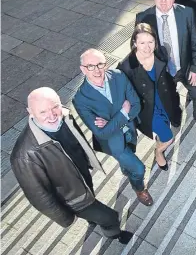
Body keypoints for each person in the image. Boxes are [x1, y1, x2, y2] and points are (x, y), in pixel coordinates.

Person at [10, 87, 133, 244]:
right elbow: (39, 197)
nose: (52, 115)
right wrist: (66, 218)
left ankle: (92, 220)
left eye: (55, 106)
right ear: (30, 112)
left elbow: (77, 141)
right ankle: (114, 234)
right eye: (42, 112)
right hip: (72, 199)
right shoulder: (24, 156)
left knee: (93, 203)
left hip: (81, 178)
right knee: (110, 217)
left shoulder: (65, 116)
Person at [73, 49, 153, 206]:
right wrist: (123, 112)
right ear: (83, 69)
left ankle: (125, 168)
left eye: (100, 64)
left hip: (130, 131)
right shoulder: (80, 99)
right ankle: (139, 189)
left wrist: (111, 122)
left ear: (106, 64)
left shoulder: (118, 76)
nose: (97, 70)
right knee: (139, 169)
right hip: (114, 143)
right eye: (90, 66)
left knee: (131, 155)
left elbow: (136, 104)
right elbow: (102, 133)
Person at [133, 0, 196, 132]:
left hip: (186, 67)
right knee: (171, 101)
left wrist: (195, 68)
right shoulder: (143, 17)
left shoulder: (187, 13)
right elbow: (138, 48)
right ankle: (176, 117)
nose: (163, 0)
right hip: (163, 72)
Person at [117, 23, 182, 171]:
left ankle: (160, 143)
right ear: (134, 43)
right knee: (168, 137)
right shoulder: (126, 66)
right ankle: (158, 151)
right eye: (142, 43)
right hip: (147, 109)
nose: (147, 47)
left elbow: (168, 78)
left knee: (167, 126)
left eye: (150, 42)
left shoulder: (161, 53)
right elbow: (121, 92)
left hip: (164, 100)